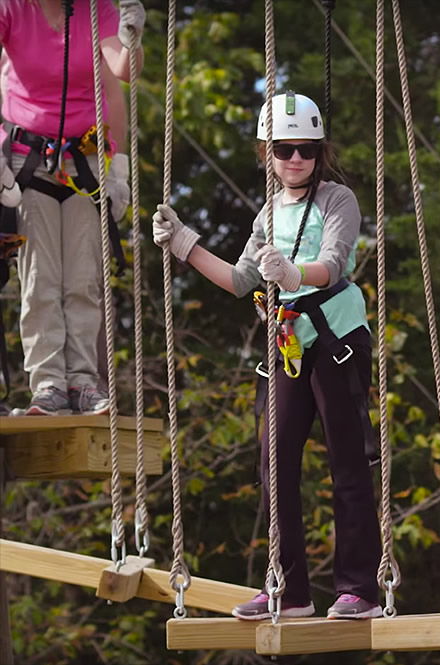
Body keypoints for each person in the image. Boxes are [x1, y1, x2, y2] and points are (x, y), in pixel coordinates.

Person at [152, 92, 382, 620]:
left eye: (305, 149)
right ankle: (289, 588)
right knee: (273, 462)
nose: (295, 159)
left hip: (337, 338)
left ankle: (359, 589)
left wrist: (295, 275)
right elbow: (239, 280)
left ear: (319, 152)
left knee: (346, 460)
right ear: (267, 153)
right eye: (284, 149)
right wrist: (185, 244)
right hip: (288, 343)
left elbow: (335, 261)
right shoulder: (267, 213)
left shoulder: (336, 200)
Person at [0, 0, 145, 415]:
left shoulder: (94, 7)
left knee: (82, 278)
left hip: (84, 158)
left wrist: (132, 37)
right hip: (25, 159)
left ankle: (82, 381)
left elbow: (124, 72)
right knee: (39, 278)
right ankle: (48, 383)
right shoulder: (12, 7)